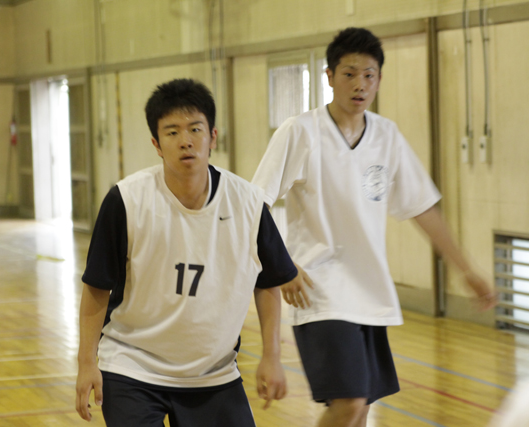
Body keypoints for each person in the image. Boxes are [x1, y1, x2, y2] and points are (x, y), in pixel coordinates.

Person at [252, 27, 497, 427]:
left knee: (362, 408)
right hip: (319, 291)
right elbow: (255, 204)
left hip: (369, 293)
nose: (360, 84)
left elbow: (422, 208)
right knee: (349, 403)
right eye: (349, 74)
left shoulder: (387, 135)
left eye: (369, 75)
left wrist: (466, 269)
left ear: (379, 79)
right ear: (330, 76)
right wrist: (283, 266)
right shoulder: (301, 131)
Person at [76, 78, 302, 427]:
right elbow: (96, 287)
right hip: (132, 366)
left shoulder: (248, 203)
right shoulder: (127, 200)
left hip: (213, 374)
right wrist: (86, 363)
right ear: (156, 144)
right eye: (172, 132)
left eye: (195, 129)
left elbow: (268, 280)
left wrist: (272, 355)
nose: (185, 141)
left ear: (213, 137)